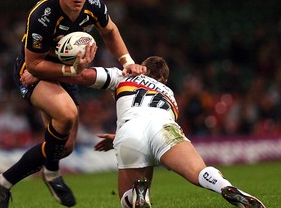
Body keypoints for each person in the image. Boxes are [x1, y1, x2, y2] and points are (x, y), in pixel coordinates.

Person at [0, 0, 145, 208]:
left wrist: (127, 60)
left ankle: (3, 183)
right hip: (34, 71)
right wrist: (73, 69)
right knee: (66, 113)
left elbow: (110, 30)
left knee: (65, 146)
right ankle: (51, 173)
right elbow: (34, 65)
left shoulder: (94, 5)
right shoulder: (43, 15)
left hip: (65, 72)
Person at [23, 55, 266, 208]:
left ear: (143, 69)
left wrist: (42, 71)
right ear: (165, 79)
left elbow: (83, 76)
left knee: (126, 200)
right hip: (165, 127)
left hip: (129, 133)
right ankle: (223, 186)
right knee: (199, 171)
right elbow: (150, 119)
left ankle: (137, 196)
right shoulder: (170, 95)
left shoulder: (124, 75)